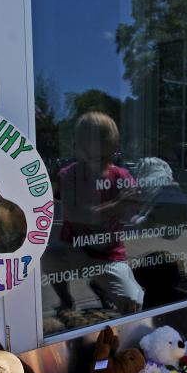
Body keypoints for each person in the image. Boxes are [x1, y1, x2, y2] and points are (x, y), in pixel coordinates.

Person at [44, 111, 145, 317]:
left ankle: (101, 285)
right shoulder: (69, 174)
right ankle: (66, 301)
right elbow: (76, 215)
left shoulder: (121, 175)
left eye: (104, 148)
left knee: (134, 302)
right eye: (86, 141)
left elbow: (133, 209)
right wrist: (118, 204)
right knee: (49, 255)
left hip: (109, 255)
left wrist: (133, 203)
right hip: (75, 249)